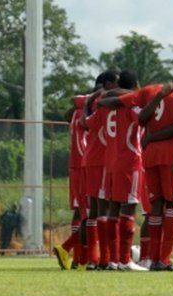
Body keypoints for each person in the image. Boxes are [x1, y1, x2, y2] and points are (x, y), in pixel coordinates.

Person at [132, 78, 173, 271]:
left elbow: (140, 116)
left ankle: (152, 258)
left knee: (156, 205)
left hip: (150, 154)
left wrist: (150, 137)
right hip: (171, 155)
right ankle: (164, 259)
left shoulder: (149, 90)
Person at [92, 70, 149, 271]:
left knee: (113, 210)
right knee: (128, 207)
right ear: (135, 85)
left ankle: (114, 260)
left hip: (111, 161)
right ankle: (126, 260)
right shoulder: (130, 106)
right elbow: (142, 117)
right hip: (129, 160)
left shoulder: (107, 107)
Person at [79, 71, 118, 270]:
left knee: (93, 210)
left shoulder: (94, 99)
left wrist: (86, 104)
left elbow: (82, 121)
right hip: (104, 159)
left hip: (90, 158)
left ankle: (89, 258)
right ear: (110, 83)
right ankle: (105, 257)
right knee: (107, 208)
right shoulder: (108, 100)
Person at [54, 92, 89, 269]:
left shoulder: (76, 111)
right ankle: (72, 251)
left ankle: (77, 257)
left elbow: (67, 115)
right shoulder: (89, 110)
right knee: (93, 213)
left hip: (75, 164)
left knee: (80, 211)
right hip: (86, 165)